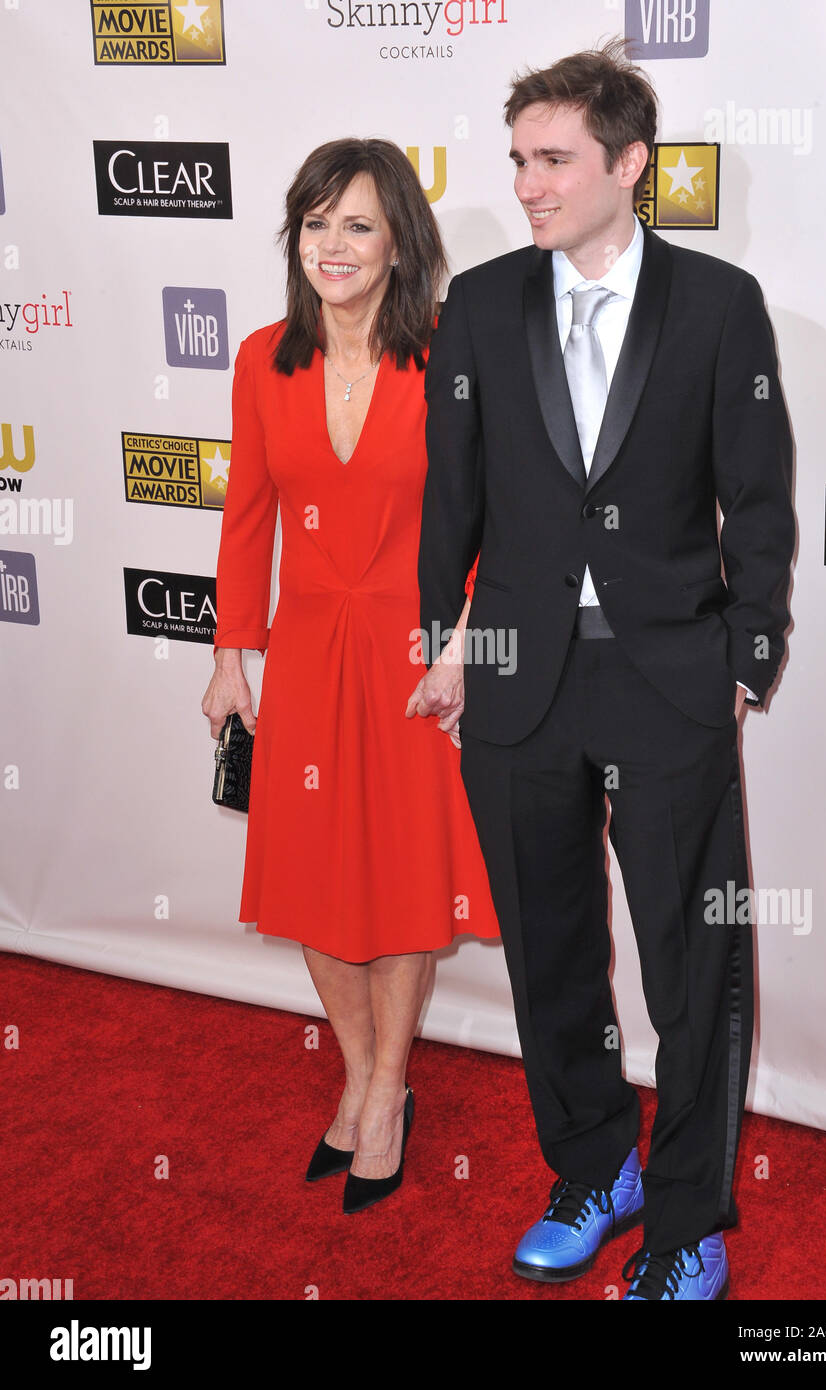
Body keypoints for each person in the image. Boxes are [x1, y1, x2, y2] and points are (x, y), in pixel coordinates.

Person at [411, 39, 795, 1298]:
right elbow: (451, 497)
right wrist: (441, 637)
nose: (527, 184)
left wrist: (747, 650)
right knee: (550, 949)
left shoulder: (719, 304)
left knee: (698, 968)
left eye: (554, 158)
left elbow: (758, 491)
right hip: (518, 677)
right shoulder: (478, 305)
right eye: (518, 157)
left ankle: (687, 1217)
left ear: (630, 164)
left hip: (670, 675)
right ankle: (595, 1165)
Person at [203, 138, 498, 1215]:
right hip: (309, 648)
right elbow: (245, 518)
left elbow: (483, 520)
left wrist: (464, 640)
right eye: (317, 223)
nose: (333, 245)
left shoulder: (442, 360)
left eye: (358, 224)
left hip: (414, 653)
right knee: (315, 878)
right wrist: (232, 653)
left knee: (408, 876)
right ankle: (364, 1072)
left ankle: (382, 1094)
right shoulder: (259, 359)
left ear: (398, 242)